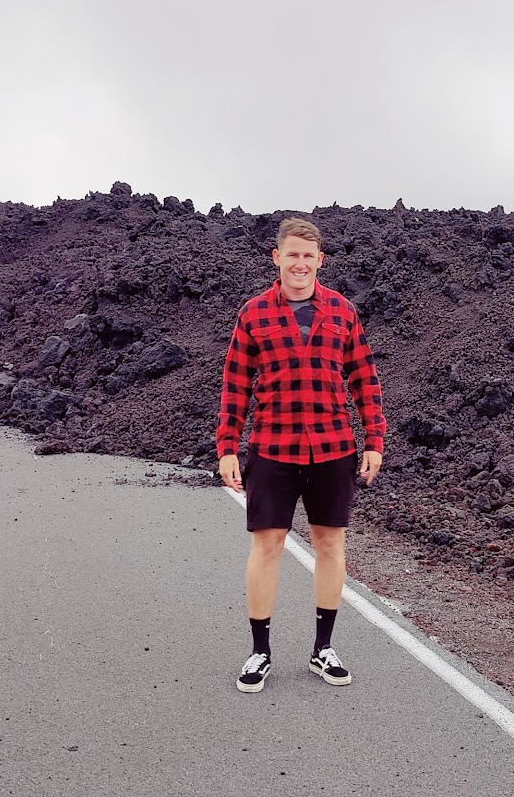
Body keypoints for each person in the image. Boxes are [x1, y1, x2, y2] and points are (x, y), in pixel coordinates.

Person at [217, 216, 385, 693]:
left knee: (330, 544)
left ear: (320, 261)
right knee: (267, 545)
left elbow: (365, 381)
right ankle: (259, 651)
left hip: (333, 447)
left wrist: (374, 439)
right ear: (277, 257)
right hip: (272, 447)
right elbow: (234, 387)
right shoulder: (253, 314)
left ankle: (323, 649)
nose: (300, 263)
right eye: (292, 254)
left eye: (308, 256)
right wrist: (227, 447)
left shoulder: (343, 312)